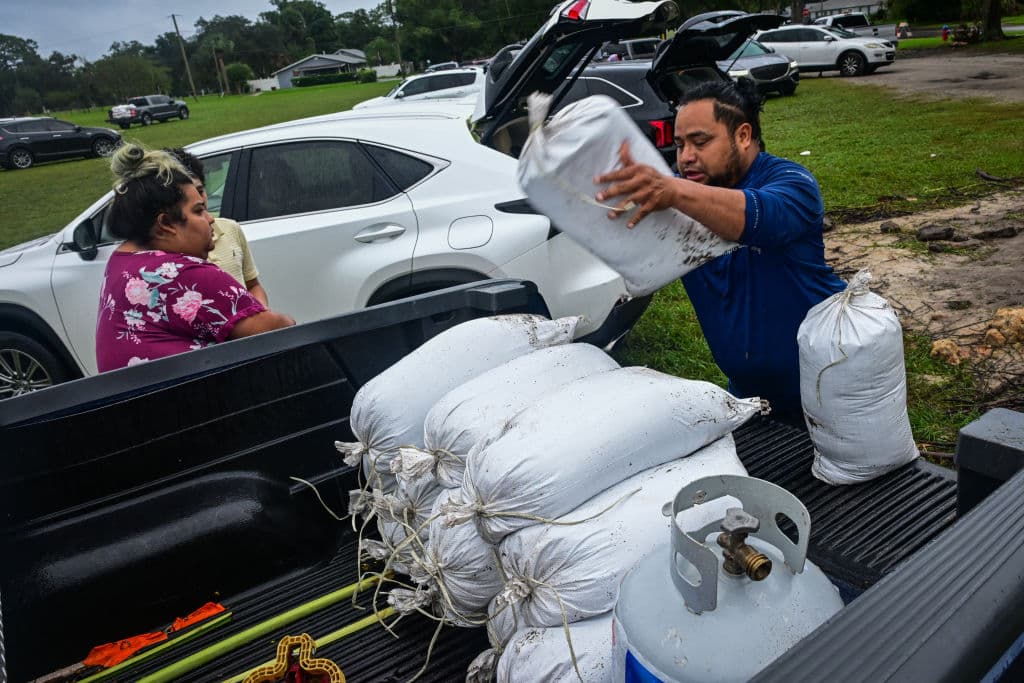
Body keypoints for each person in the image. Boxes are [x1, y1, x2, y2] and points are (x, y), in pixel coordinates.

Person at [594, 79, 846, 422]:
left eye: (700, 142)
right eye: (680, 144)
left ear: (742, 136)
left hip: (827, 388)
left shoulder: (792, 183)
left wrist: (673, 190)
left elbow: (759, 216)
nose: (686, 158)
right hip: (746, 393)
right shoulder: (677, 192)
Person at [96, 144, 294, 372]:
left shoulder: (121, 260)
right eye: (199, 211)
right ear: (166, 224)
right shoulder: (183, 274)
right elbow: (280, 330)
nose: (210, 219)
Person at [165, 148, 269, 306]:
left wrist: (262, 316)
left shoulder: (230, 228)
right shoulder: (164, 251)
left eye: (200, 190)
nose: (199, 199)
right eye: (187, 196)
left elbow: (253, 285)